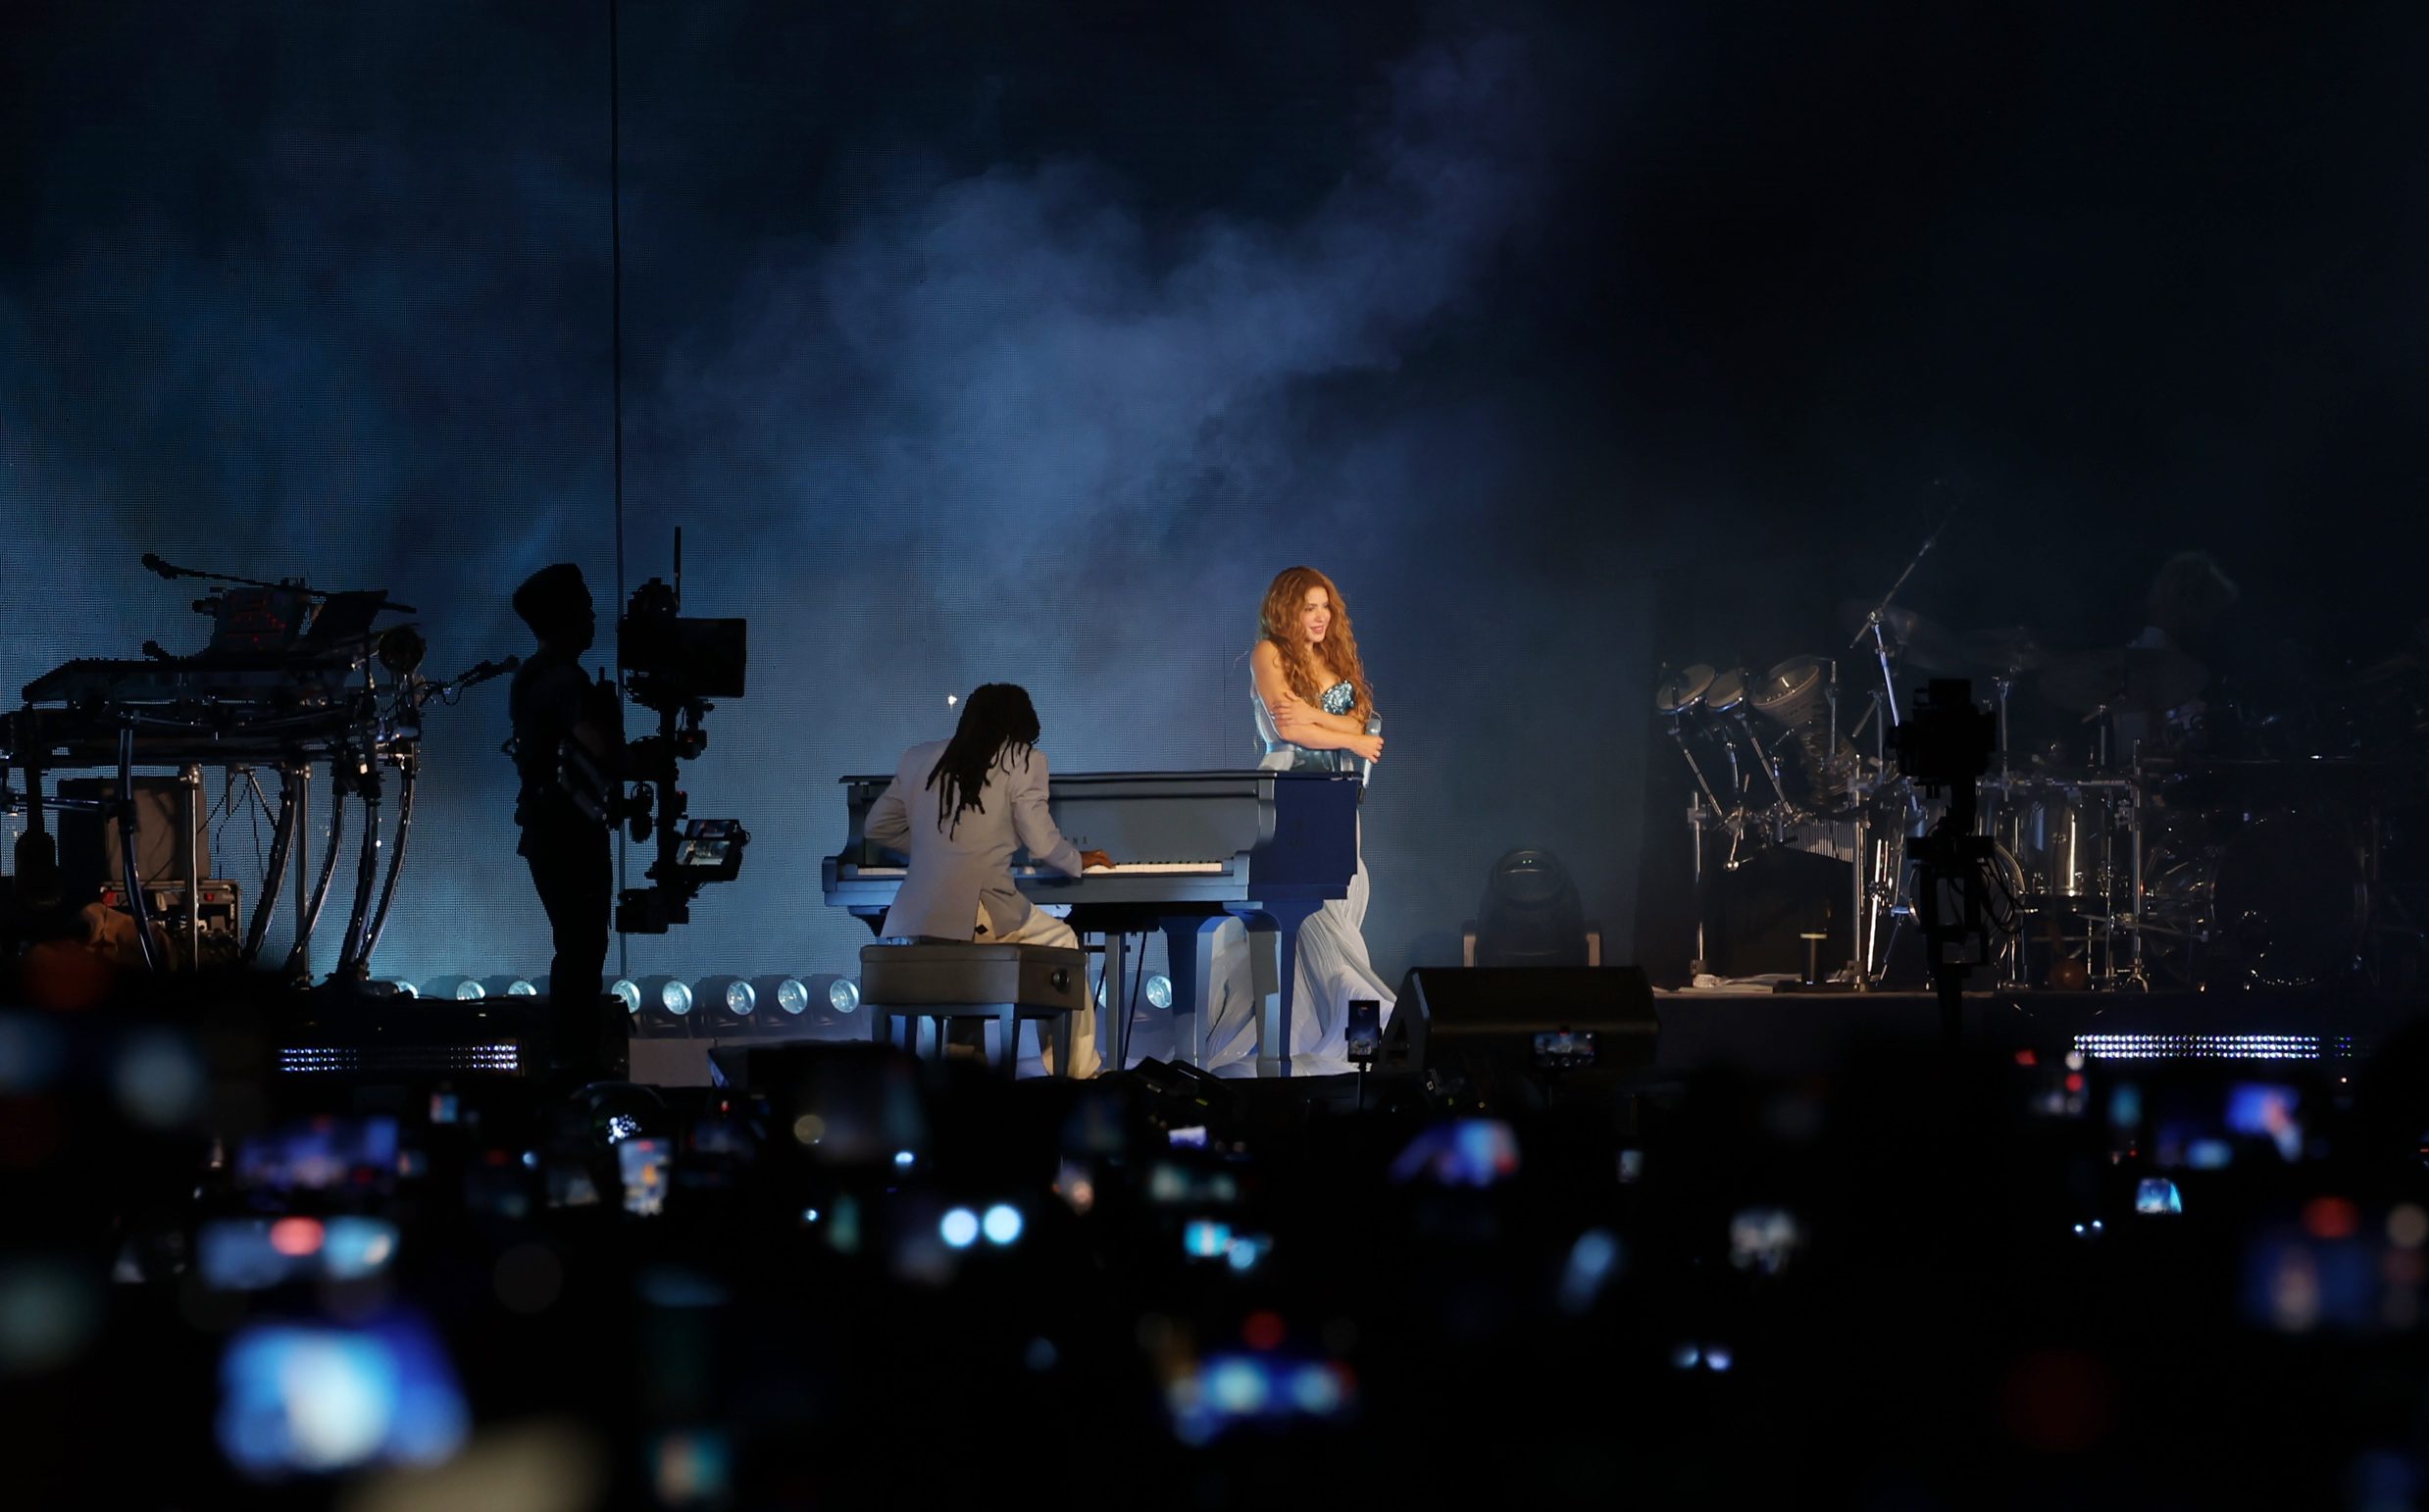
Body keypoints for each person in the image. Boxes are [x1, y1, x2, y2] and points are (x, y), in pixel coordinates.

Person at [863, 683, 1111, 1077]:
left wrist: (935, 848)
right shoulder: (1023, 760)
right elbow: (1042, 843)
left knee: (970, 966)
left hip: (918, 921)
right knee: (1063, 939)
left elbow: (877, 827)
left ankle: (962, 1072)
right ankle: (1078, 1074)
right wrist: (1076, 859)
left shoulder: (918, 758)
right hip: (979, 912)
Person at [1203, 566, 1394, 1076]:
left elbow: (1352, 721)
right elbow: (1287, 726)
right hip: (1289, 794)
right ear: (1288, 610)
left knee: (1341, 917)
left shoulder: (1333, 660)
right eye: (1310, 607)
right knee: (1311, 924)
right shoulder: (1269, 654)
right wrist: (1350, 736)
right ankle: (1345, 1040)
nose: (1321, 616)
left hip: (1338, 797)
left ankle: (1351, 1045)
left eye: (1325, 606)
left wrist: (1322, 721)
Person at [507, 563, 621, 1084]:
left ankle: (571, 1056)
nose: (594, 619)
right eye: (586, 609)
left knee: (573, 946)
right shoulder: (564, 680)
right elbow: (597, 747)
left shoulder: (531, 676)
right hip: (570, 834)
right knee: (582, 947)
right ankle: (575, 1060)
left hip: (547, 832)